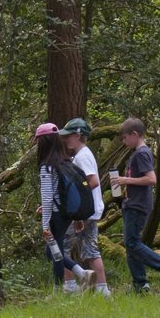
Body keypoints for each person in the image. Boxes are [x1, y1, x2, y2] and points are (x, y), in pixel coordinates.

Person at [109, 117, 160, 293]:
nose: (123, 142)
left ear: (135, 134)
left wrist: (125, 180)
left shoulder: (142, 153)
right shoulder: (137, 154)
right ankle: (140, 284)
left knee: (132, 243)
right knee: (131, 245)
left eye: (124, 138)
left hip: (138, 205)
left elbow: (151, 179)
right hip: (131, 203)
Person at [35, 123, 94, 291]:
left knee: (56, 251)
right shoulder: (65, 162)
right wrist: (77, 217)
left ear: (43, 142)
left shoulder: (47, 167)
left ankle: (58, 289)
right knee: (53, 251)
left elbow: (47, 198)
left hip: (56, 216)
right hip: (65, 215)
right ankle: (83, 274)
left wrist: (45, 225)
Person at [58, 118, 111, 297]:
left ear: (78, 135)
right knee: (90, 250)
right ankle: (103, 290)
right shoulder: (81, 155)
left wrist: (76, 200)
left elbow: (93, 181)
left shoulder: (83, 156)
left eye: (69, 136)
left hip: (84, 210)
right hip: (90, 210)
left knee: (61, 245)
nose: (66, 140)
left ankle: (70, 286)